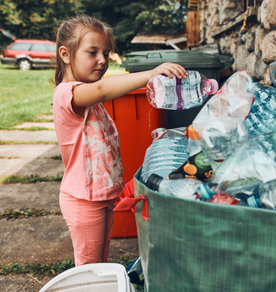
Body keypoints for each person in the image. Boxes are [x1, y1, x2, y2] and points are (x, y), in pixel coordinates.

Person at [52, 14, 187, 266]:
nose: (102, 60)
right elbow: (103, 89)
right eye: (92, 52)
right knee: (88, 268)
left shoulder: (90, 97)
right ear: (66, 54)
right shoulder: (66, 94)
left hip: (101, 196)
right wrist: (153, 73)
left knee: (100, 263)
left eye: (106, 53)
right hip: (83, 200)